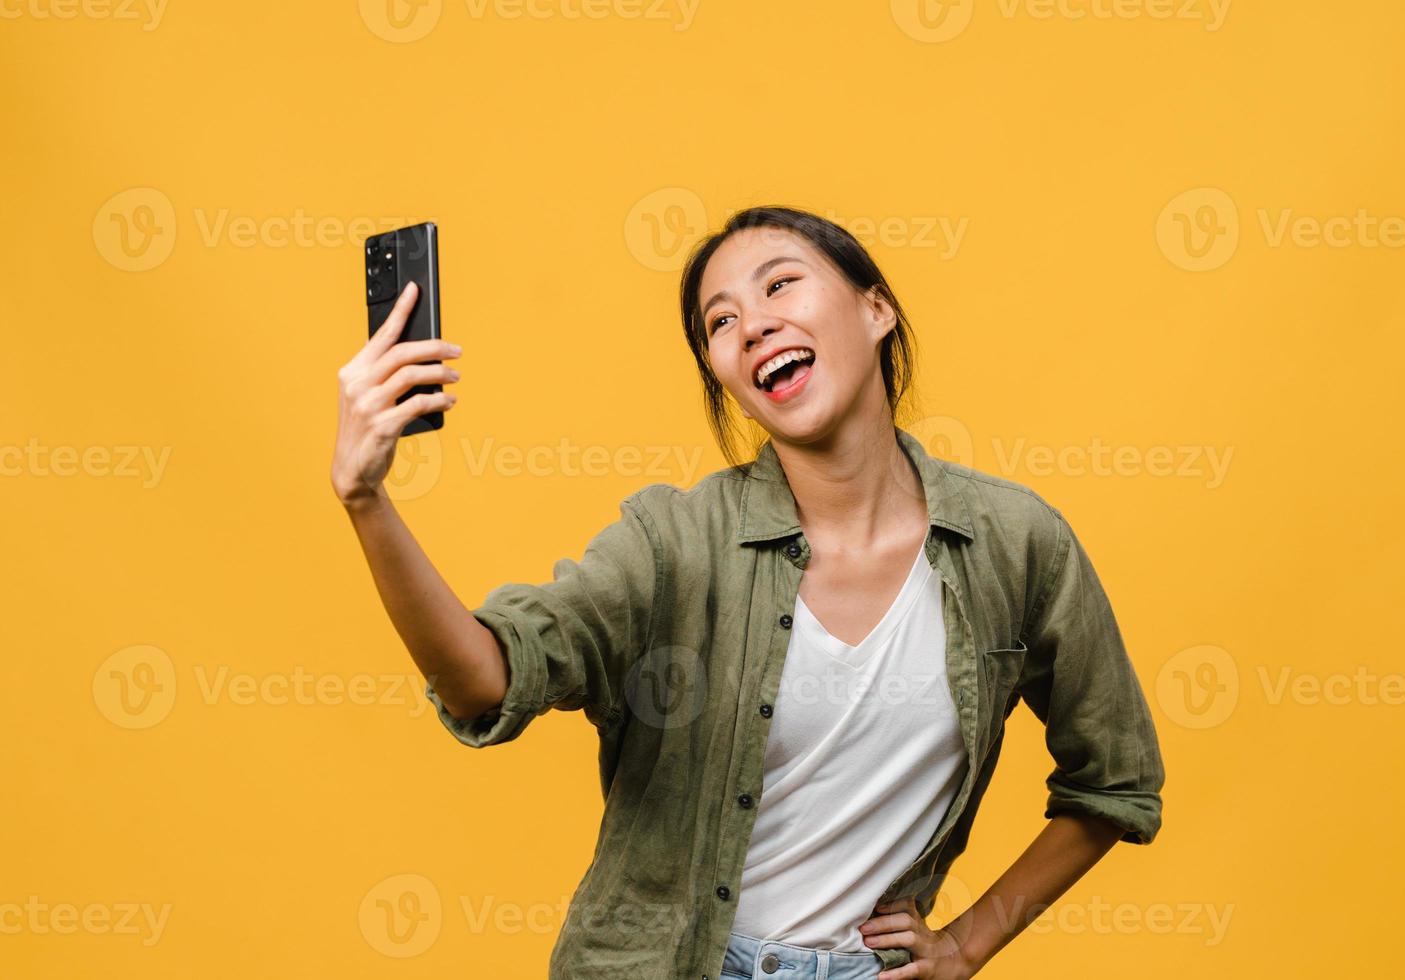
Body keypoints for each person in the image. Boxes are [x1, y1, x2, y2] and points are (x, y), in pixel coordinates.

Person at [330, 205, 1166, 980]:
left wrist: (968, 944)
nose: (753, 323)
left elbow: (1114, 784)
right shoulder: (674, 543)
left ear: (877, 310)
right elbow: (484, 681)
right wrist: (368, 500)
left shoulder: (1016, 543)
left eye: (780, 284)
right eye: (720, 321)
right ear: (724, 374)